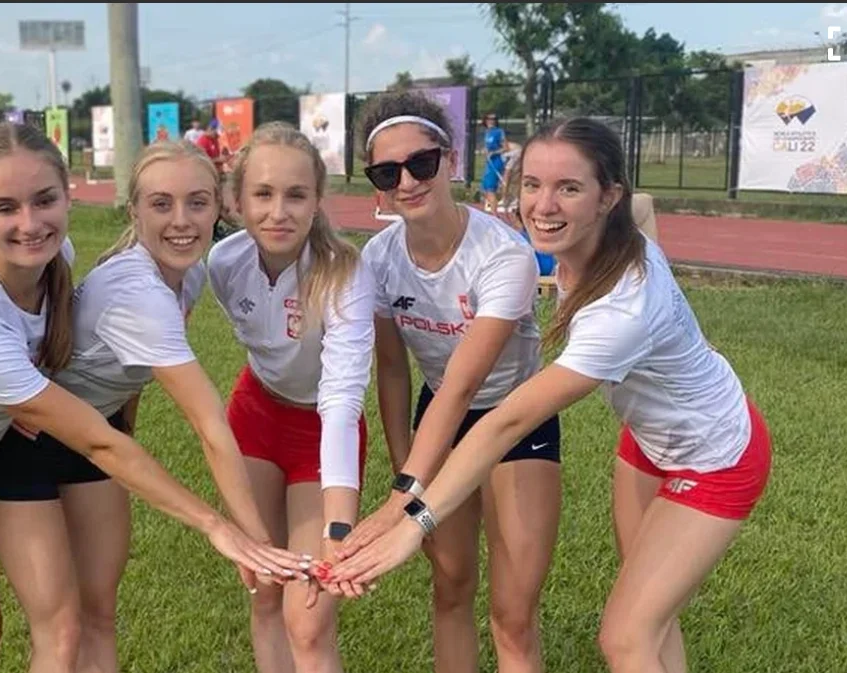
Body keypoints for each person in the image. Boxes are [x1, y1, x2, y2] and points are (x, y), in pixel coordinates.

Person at [0, 122, 307, 673]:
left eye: (44, 200)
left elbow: (113, 388)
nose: (31, 224)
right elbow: (101, 443)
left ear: (67, 196)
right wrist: (219, 526)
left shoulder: (54, 258)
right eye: (6, 207)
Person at [329, 117, 773, 673]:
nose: (543, 205)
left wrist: (411, 520)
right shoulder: (600, 241)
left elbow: (505, 422)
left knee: (625, 638)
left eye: (569, 188)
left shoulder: (621, 311)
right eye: (533, 184)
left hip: (717, 454)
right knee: (653, 621)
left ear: (606, 197)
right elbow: (641, 209)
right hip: (646, 442)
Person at [0, 139, 304, 673]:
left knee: (100, 615)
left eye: (197, 203)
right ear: (134, 211)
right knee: (59, 633)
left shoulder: (189, 273)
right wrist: (256, 541)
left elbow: (129, 377)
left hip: (96, 435)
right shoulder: (139, 294)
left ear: (219, 206)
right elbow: (209, 424)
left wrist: (124, 428)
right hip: (24, 446)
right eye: (161, 204)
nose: (182, 221)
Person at [340, 90, 562, 673]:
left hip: (516, 419)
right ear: (376, 184)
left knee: (513, 615)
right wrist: (403, 465)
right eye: (388, 172)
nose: (408, 182)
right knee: (451, 585)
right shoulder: (379, 258)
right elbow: (392, 369)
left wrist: (400, 501)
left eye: (422, 163)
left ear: (451, 160)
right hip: (439, 413)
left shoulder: (503, 255)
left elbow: (466, 384)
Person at [206, 121, 375, 673]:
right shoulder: (223, 263)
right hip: (255, 416)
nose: (278, 212)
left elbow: (342, 399)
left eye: (296, 195)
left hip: (321, 430)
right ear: (236, 201)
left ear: (318, 200)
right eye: (263, 194)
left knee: (308, 616)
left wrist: (339, 529)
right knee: (264, 591)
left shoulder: (344, 272)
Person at [481, 113, 506, 214]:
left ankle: (494, 215)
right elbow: (487, 147)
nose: (491, 121)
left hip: (496, 162)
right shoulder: (487, 132)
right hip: (489, 163)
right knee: (485, 188)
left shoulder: (499, 132)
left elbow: (505, 148)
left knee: (490, 188)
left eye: (493, 119)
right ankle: (492, 210)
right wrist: (484, 151)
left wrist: (494, 153)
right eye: (489, 119)